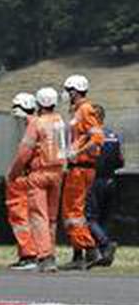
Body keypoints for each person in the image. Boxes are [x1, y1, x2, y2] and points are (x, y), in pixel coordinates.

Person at [8, 87, 67, 273]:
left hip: (39, 174)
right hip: (58, 172)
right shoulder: (59, 121)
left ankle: (45, 257)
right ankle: (52, 253)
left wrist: (13, 173)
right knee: (51, 218)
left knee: (38, 216)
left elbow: (25, 152)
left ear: (39, 103)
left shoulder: (37, 124)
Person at [61, 74, 104, 270]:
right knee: (73, 212)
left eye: (68, 90)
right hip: (77, 168)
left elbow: (97, 138)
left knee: (73, 213)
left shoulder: (85, 110)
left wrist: (77, 152)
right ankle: (78, 254)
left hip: (81, 168)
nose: (66, 94)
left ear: (75, 91)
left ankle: (91, 249)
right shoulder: (77, 111)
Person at [87, 104, 124, 268]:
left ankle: (105, 244)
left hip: (95, 180)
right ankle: (102, 254)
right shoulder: (114, 135)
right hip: (111, 180)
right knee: (104, 218)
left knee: (89, 218)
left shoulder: (92, 136)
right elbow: (120, 160)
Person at [6, 92, 40, 269]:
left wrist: (13, 173)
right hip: (36, 176)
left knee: (20, 217)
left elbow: (22, 154)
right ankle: (34, 253)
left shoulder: (24, 125)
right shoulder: (41, 123)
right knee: (33, 217)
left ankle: (29, 255)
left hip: (22, 176)